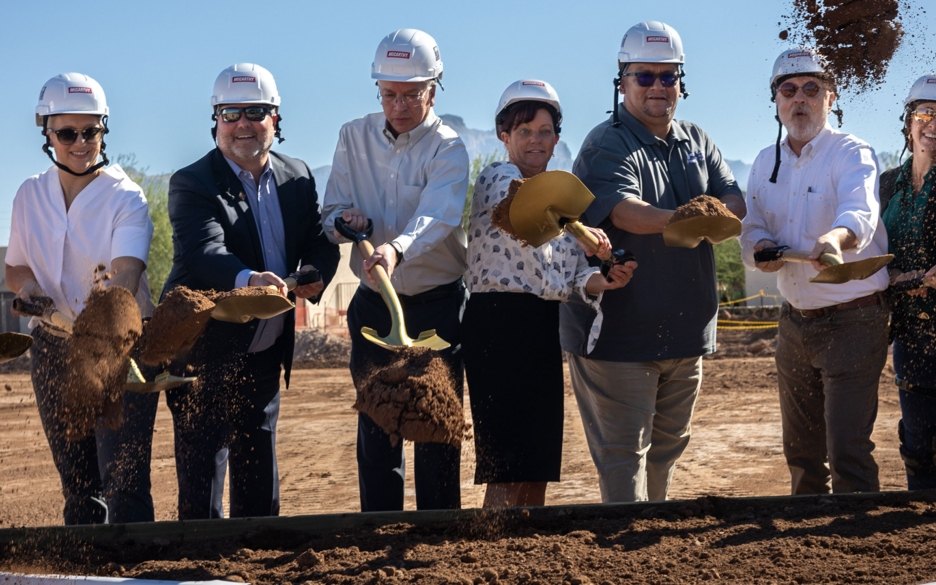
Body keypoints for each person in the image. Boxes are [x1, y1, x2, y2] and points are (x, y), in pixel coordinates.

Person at [559, 21, 746, 503]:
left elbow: (732, 198)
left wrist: (717, 214)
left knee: (667, 449)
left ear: (681, 82)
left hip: (685, 330)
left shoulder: (696, 140)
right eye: (644, 76)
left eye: (668, 76)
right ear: (622, 82)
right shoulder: (607, 143)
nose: (658, 86)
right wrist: (691, 220)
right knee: (624, 455)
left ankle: (651, 537)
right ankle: (624, 542)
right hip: (620, 335)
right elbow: (625, 211)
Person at [163, 63, 339, 519]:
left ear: (275, 118)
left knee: (259, 477)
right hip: (202, 352)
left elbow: (317, 238)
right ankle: (201, 557)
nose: (243, 123)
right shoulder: (192, 182)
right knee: (203, 480)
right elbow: (204, 252)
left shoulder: (297, 176)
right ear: (216, 120)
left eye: (255, 112)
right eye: (231, 113)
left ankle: (255, 553)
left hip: (264, 351)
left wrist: (318, 270)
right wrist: (250, 281)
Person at [464, 80, 637, 508]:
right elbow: (525, 207)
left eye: (545, 131)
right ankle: (494, 539)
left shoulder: (564, 203)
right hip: (497, 325)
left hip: (542, 327)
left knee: (537, 458)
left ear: (557, 139)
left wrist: (604, 280)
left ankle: (527, 540)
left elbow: (576, 278)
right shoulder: (497, 179)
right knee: (507, 460)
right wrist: (582, 229)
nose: (535, 140)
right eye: (524, 131)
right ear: (504, 136)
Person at [322, 28, 468, 512]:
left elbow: (439, 214)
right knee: (378, 425)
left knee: (435, 426)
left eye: (411, 95)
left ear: (433, 90)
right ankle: (378, 527)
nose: (399, 106)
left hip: (437, 308)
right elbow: (331, 212)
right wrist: (344, 221)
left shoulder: (448, 147)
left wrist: (397, 249)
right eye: (389, 94)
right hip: (374, 309)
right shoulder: (353, 136)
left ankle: (437, 532)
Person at [5, 73, 155, 524]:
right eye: (67, 133)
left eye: (91, 131)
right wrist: (29, 289)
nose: (80, 143)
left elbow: (126, 273)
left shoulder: (125, 197)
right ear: (47, 133)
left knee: (123, 480)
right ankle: (85, 559)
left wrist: (99, 325)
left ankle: (134, 560)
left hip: (118, 347)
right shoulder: (29, 195)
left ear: (104, 130)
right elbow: (16, 267)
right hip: (53, 349)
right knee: (78, 485)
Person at [741, 48, 889, 495]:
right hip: (794, 324)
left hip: (853, 320)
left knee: (847, 451)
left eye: (812, 88)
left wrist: (836, 239)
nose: (799, 99)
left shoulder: (851, 152)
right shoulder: (764, 163)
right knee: (802, 453)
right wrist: (760, 249)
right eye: (789, 90)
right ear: (776, 101)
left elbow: (859, 213)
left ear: (831, 97)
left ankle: (856, 533)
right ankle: (804, 538)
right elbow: (752, 227)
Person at [880, 73, 936, 490]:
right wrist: (906, 278)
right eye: (925, 113)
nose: (933, 124)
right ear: (909, 120)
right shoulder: (888, 185)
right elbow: (873, 254)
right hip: (911, 333)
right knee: (917, 444)